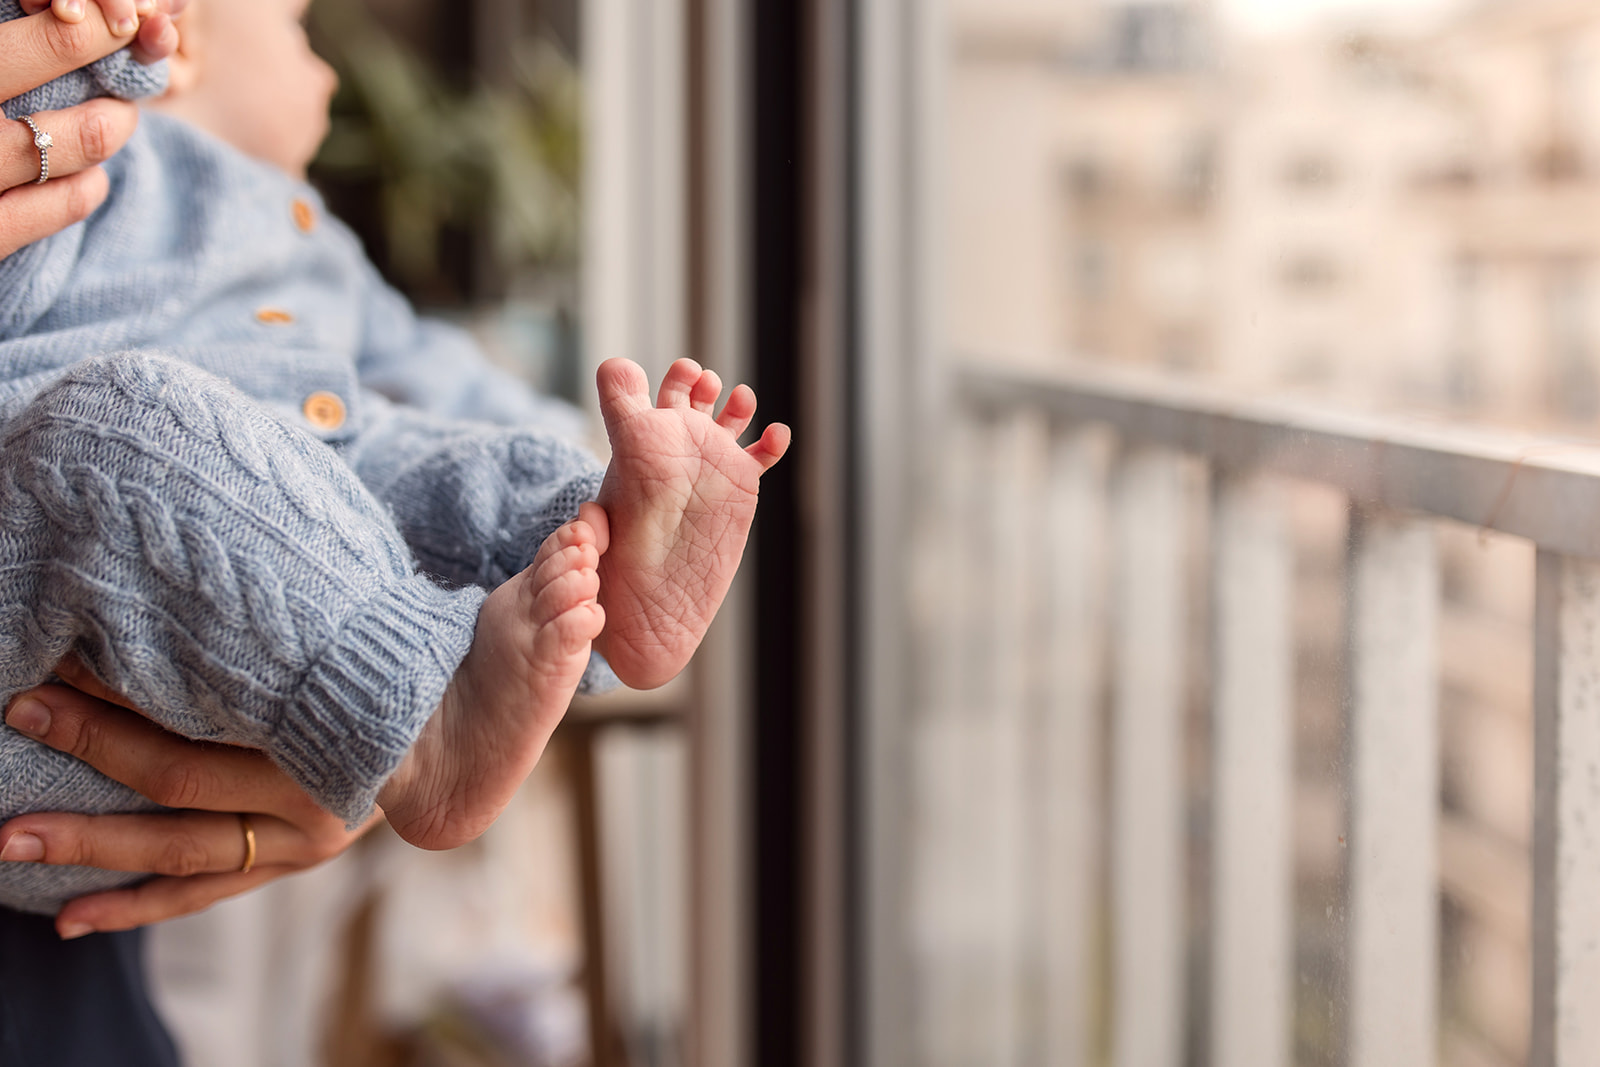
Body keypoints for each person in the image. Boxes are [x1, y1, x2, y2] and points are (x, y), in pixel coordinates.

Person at [0, 0, 789, 927]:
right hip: (39, 636)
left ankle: (606, 575)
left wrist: (602, 475)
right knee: (128, 428)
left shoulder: (316, 246)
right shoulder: (98, 171)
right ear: (178, 40)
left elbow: (442, 384)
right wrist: (71, 24)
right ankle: (425, 731)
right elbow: (45, 82)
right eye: (300, 31)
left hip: (197, 722)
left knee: (408, 462)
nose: (330, 72)